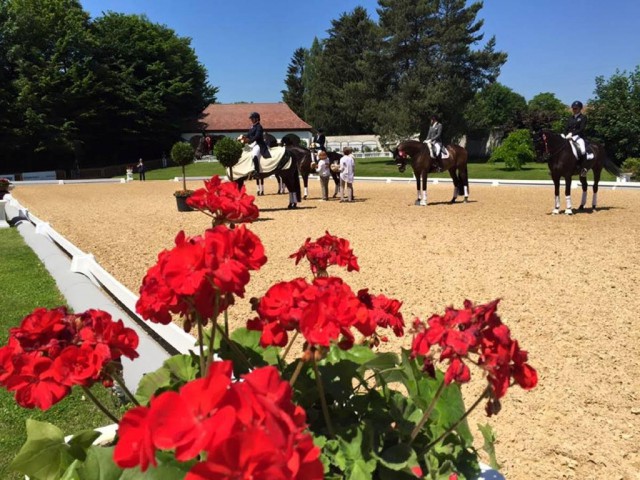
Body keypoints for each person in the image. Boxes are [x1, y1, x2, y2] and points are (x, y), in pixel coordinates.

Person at [565, 100, 594, 177]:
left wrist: (572, 134)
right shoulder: (570, 118)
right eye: (573, 108)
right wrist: (565, 134)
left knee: (583, 150)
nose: (574, 110)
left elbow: (581, 129)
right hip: (569, 136)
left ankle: (584, 168)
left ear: (580, 109)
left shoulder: (583, 117)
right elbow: (566, 127)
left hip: (579, 137)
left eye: (576, 108)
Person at [245, 112, 271, 179]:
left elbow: (257, 136)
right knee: (245, 153)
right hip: (252, 144)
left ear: (257, 119)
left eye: (252, 118)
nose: (251, 120)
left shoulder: (259, 126)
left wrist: (250, 140)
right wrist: (243, 138)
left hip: (258, 144)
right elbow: (248, 135)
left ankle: (256, 172)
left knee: (254, 155)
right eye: (251, 119)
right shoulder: (252, 127)